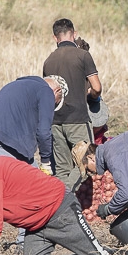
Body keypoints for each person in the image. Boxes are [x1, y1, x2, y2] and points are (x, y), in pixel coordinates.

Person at [43, 18, 102, 191]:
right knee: (87, 162)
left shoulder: (49, 60)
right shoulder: (83, 55)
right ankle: (67, 197)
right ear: (74, 34)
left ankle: (61, 205)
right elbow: (97, 88)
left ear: (55, 38)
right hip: (77, 120)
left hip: (55, 122)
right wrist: (89, 94)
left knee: (62, 169)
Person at [0, 75, 64, 169]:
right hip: (2, 141)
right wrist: (46, 161)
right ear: (57, 91)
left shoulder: (15, 84)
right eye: (56, 103)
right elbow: (43, 132)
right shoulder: (46, 91)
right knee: (29, 181)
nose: (53, 105)